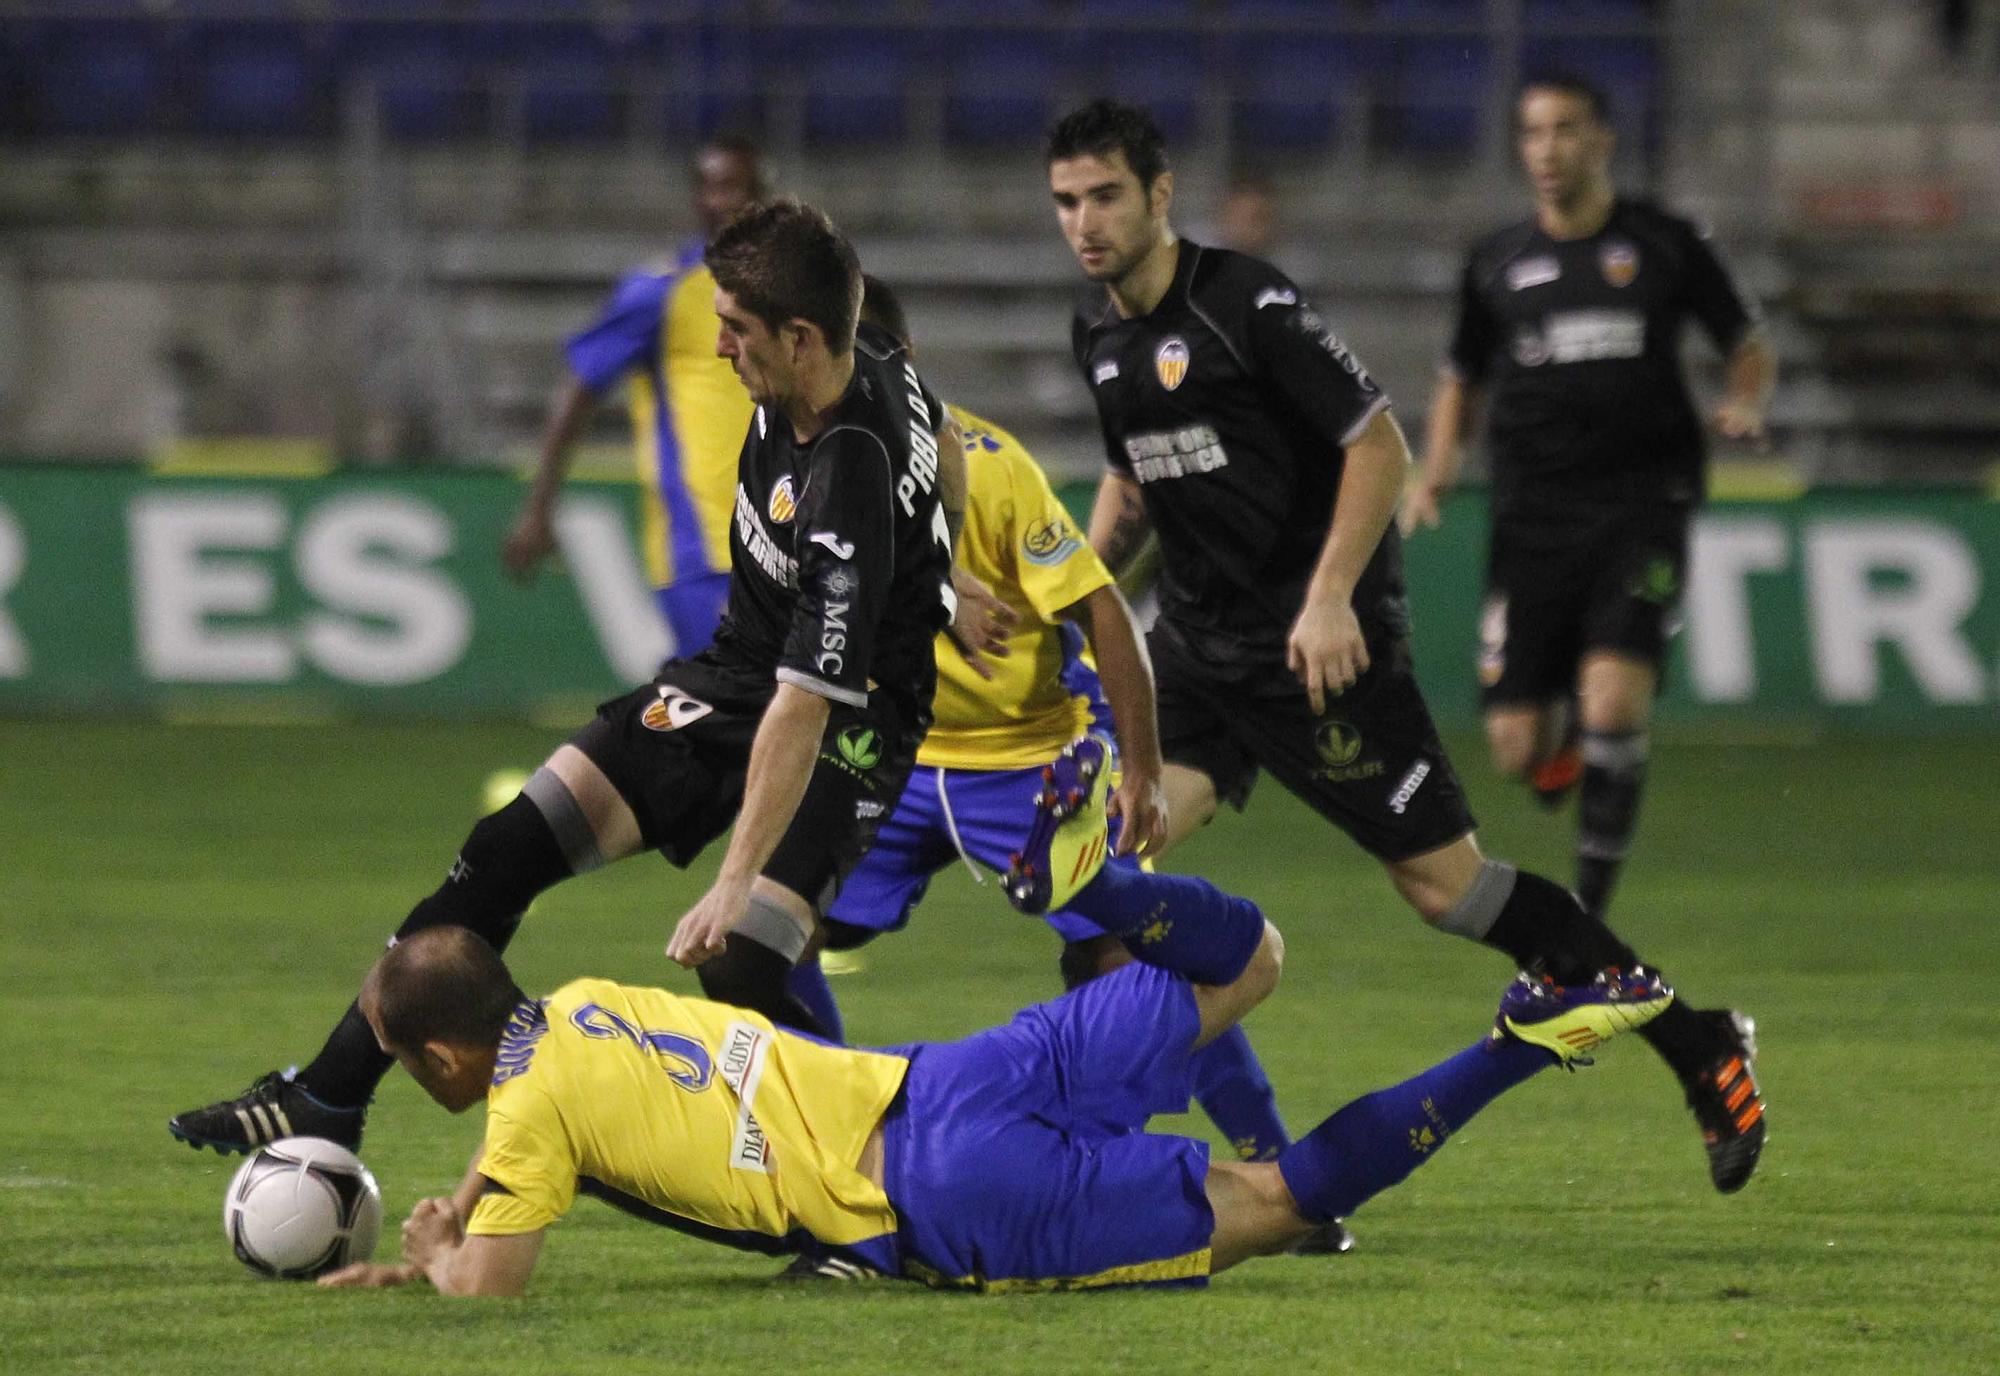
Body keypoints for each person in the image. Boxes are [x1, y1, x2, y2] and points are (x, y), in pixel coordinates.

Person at [1045, 99, 1765, 1193]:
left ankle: (1698, 1041)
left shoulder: (1248, 305)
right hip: (1196, 658)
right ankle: (1188, 1152)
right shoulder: (1095, 333)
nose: (1084, 222)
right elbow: (1134, 480)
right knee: (1099, 875)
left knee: (1449, 893)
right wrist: (1076, 599)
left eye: (1104, 196)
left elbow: (1374, 443)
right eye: (1064, 202)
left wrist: (1330, 597)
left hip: (1315, 656)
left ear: (1158, 195)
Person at [169, 200, 964, 1154]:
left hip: (852, 721)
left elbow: (805, 705)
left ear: (800, 338)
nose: (716, 350)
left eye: (735, 330)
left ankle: (861, 1179)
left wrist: (735, 876)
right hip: (736, 671)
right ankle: (327, 1097)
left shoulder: (847, 476)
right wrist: (948, 572)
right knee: (508, 847)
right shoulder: (866, 347)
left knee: (746, 949)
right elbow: (946, 436)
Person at [785, 279, 1316, 1227]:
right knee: (776, 930)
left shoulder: (993, 467)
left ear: (894, 369)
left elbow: (1105, 609)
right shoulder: (806, 463)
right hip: (899, 760)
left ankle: (1282, 1168)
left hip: (1030, 751)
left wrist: (1143, 769)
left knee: (1130, 965)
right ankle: (828, 1160)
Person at [313, 925, 1669, 1296]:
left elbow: (488, 1288)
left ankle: (1516, 1049)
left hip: (946, 1194)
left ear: (443, 1060)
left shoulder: (521, 1113)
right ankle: (1528, 1012)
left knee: (1280, 1199)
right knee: (1243, 964)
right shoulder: (597, 998)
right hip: (957, 1073)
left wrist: (433, 1257)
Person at [1403, 74, 1775, 924]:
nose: (1547, 149)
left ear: (1602, 140)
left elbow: (1746, 343)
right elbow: (1459, 376)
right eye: (1532, 133)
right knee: (1512, 748)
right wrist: (1435, 469)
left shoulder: (1665, 242)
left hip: (1644, 501)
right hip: (1532, 516)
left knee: (1614, 697)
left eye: (1565, 130)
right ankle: (1563, 736)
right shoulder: (1495, 261)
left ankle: (1591, 917)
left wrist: (1745, 401)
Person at [501, 136, 766, 654]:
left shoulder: (794, 292)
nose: (722, 202)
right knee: (737, 713)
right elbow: (581, 386)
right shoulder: (662, 292)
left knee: (778, 721)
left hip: (794, 549)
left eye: (735, 187)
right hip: (705, 551)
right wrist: (540, 506)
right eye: (710, 188)